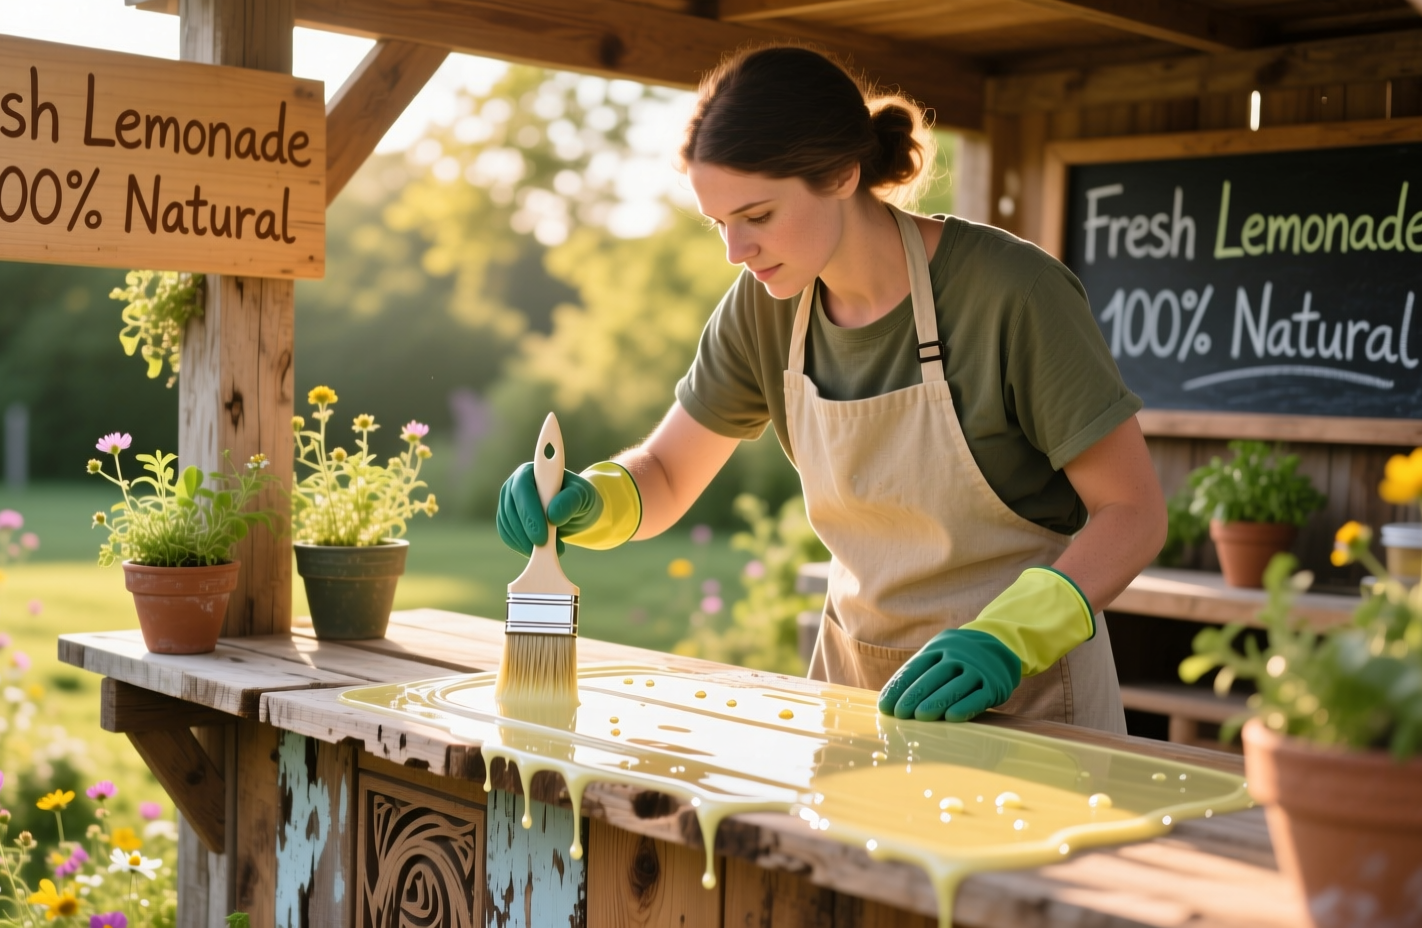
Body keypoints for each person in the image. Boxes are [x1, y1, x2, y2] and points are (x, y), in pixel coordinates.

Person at [495, 46, 1166, 733]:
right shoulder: (763, 308)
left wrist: (1010, 637)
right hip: (855, 702)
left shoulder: (1011, 293)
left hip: (1022, 698)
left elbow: (1133, 512)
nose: (736, 250)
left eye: (757, 215)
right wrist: (592, 499)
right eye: (718, 222)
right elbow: (667, 474)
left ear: (843, 174)